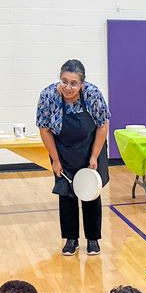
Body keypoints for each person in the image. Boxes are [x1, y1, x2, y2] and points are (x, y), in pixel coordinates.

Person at [36, 59, 111, 256]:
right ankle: (71, 239)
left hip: (91, 146)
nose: (68, 87)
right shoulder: (48, 96)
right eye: (64, 81)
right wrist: (56, 160)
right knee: (66, 193)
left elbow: (103, 125)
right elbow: (44, 129)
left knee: (90, 192)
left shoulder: (93, 95)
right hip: (63, 150)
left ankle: (93, 239)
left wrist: (94, 156)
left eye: (74, 83)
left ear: (82, 84)